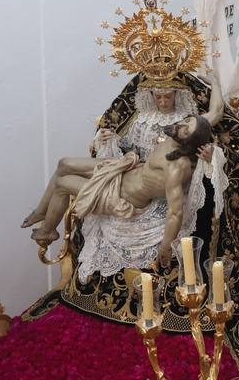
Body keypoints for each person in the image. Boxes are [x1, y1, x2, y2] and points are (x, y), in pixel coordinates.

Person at [24, 113, 215, 267]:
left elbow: (175, 212)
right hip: (124, 169)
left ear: (189, 142)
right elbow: (214, 112)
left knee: (62, 184)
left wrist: (166, 246)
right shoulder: (176, 136)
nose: (181, 125)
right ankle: (41, 212)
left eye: (186, 129)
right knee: (64, 163)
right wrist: (214, 80)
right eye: (186, 120)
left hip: (121, 195)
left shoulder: (177, 166)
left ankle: (47, 232)